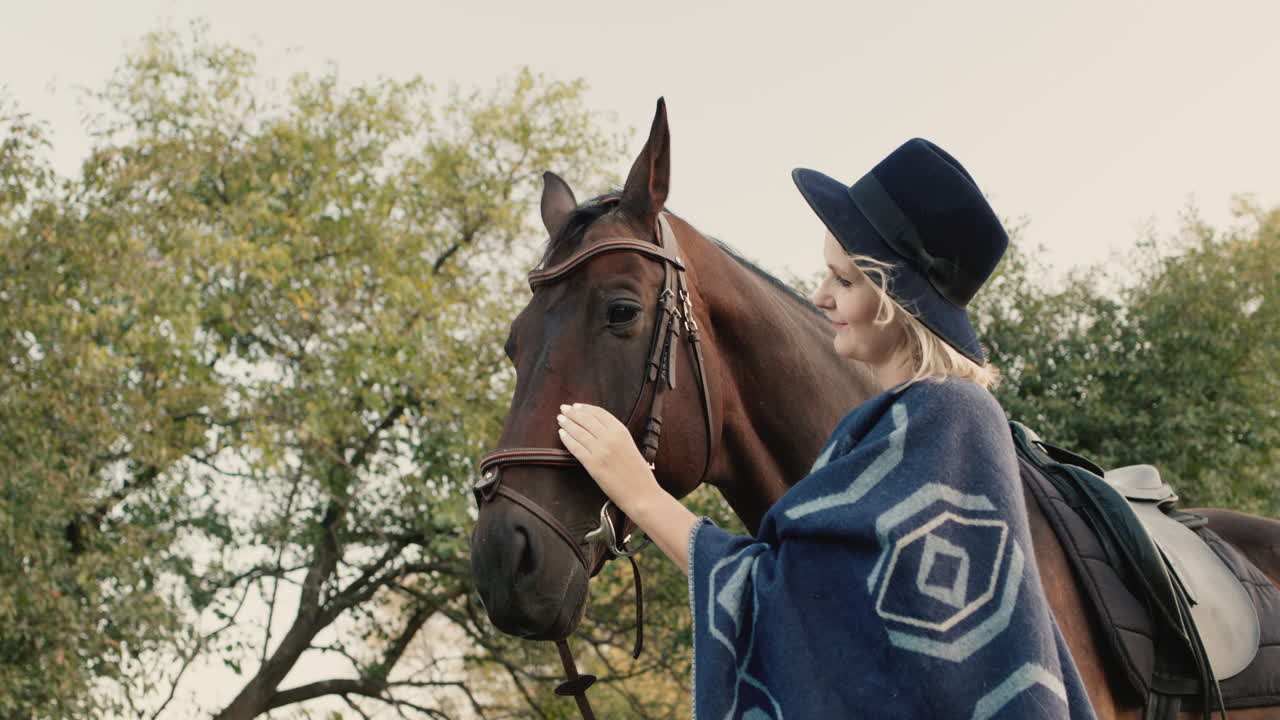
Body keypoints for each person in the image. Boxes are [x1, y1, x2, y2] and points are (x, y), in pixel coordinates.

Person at [555, 138, 1097, 718]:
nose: (820, 297)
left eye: (844, 280)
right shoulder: (884, 424)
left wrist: (639, 492)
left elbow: (799, 601)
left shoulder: (950, 418)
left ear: (895, 296)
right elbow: (854, 622)